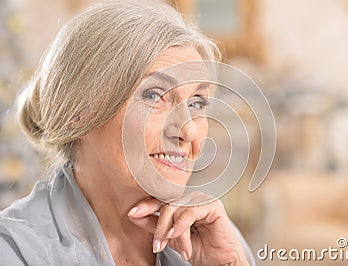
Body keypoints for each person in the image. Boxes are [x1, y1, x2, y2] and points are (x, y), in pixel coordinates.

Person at [0, 1, 255, 265]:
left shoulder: (213, 237)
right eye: (154, 95)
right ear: (79, 110)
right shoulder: (14, 250)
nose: (188, 130)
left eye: (196, 102)